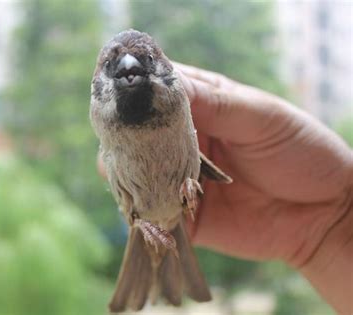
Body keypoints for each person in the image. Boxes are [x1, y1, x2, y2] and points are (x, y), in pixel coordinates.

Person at [98, 62, 353, 314]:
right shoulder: (112, 117)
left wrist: (338, 213)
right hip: (149, 213)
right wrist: (335, 217)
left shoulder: (174, 100)